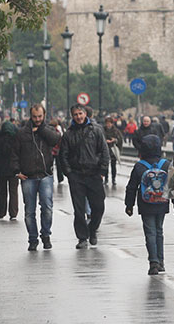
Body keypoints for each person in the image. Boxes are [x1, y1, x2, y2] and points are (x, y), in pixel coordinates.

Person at [11, 105, 61, 251]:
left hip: (45, 175)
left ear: (44, 115)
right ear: (30, 116)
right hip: (28, 176)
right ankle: (33, 239)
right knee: (29, 211)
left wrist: (41, 129)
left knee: (47, 207)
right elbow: (14, 153)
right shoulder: (22, 133)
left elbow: (55, 140)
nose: (37, 119)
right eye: (35, 117)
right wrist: (16, 171)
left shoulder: (48, 130)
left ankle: (46, 234)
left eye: (40, 116)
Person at [59, 104, 109, 249]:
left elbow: (104, 152)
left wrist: (102, 172)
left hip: (94, 174)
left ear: (85, 114)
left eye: (80, 114)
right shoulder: (68, 134)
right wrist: (69, 173)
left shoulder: (96, 130)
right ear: (72, 116)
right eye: (75, 115)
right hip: (77, 175)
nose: (78, 117)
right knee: (79, 209)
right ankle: (82, 237)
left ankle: (92, 229)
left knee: (98, 207)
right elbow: (64, 155)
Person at [124, 135, 171, 275]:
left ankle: (153, 262)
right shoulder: (166, 164)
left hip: (146, 204)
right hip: (162, 202)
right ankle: (161, 261)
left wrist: (129, 204)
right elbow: (173, 185)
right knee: (159, 231)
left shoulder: (140, 166)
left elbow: (131, 187)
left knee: (150, 232)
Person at [0, 119, 18, 221]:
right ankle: (13, 213)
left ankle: (1, 212)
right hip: (14, 170)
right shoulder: (16, 139)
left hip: (0, 170)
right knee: (13, 191)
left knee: (2, 191)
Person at [103, 117, 123, 186]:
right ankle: (106, 179)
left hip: (113, 149)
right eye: (107, 123)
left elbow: (120, 139)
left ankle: (113, 179)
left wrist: (115, 140)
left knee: (113, 165)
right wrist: (105, 141)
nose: (108, 125)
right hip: (105, 149)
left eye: (109, 123)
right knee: (105, 165)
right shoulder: (103, 130)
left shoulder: (116, 131)